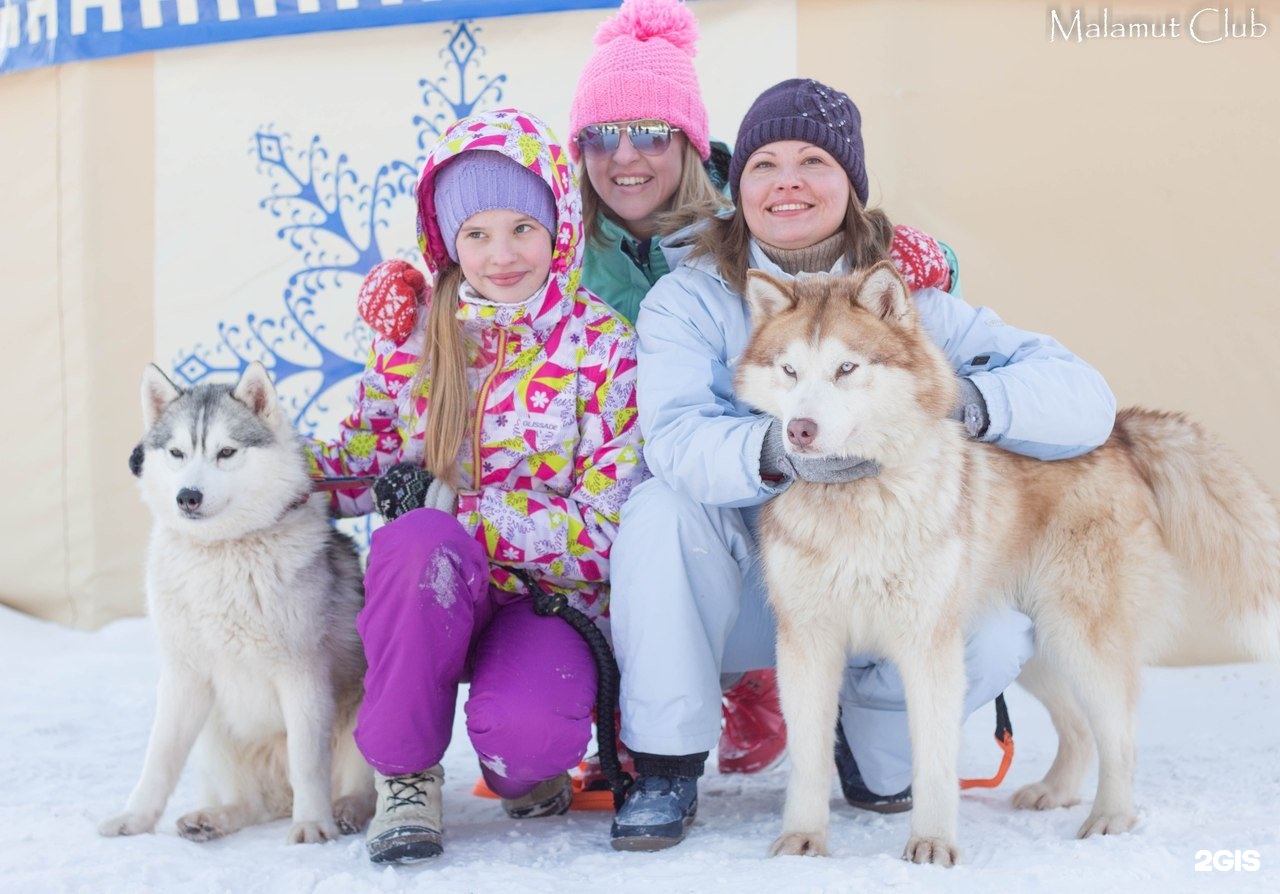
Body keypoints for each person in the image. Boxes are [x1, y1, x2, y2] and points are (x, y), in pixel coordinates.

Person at [605, 77, 1117, 850]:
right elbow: (674, 440)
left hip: (886, 582)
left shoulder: (907, 300)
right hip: (745, 581)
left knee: (997, 624)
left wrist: (961, 398)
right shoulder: (693, 298)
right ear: (735, 183)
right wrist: (776, 451)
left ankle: (871, 735)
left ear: (851, 183)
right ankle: (667, 762)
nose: (788, 182)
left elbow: (1086, 400)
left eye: (814, 160)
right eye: (764, 164)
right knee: (659, 512)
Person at [567, 0, 954, 778]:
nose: (626, 156)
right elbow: (486, 267)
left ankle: (766, 684)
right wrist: (422, 289)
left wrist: (922, 262)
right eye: (602, 136)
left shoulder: (737, 221)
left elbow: (824, 239)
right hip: (623, 464)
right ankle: (643, 713)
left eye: (649, 132)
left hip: (756, 489)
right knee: (648, 516)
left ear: (688, 142)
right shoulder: (562, 243)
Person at [308, 108, 646, 864]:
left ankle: (526, 765)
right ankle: (405, 776)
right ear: (447, 242)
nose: (502, 255)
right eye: (477, 234)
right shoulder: (418, 334)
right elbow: (362, 463)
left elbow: (606, 526)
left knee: (525, 740)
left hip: (547, 594)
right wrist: (265, 463)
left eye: (522, 228)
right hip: (430, 592)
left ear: (558, 224)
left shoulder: (601, 346)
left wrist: (465, 511)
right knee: (417, 540)